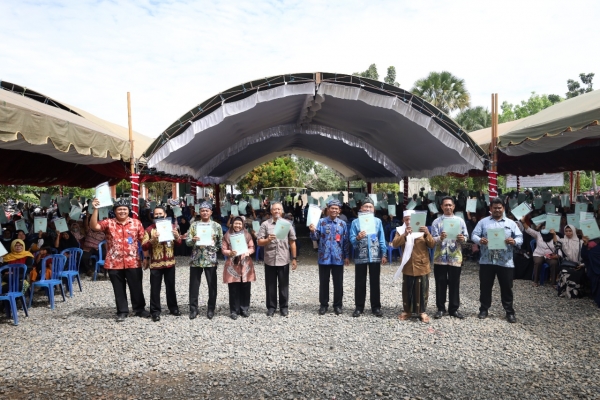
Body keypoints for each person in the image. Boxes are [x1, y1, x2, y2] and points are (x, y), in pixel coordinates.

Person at [90, 198, 149, 322]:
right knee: (118, 288)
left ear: (129, 211)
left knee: (136, 286)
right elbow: (94, 226)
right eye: (119, 209)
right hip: (114, 262)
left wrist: (146, 256)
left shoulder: (136, 223)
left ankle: (139, 309)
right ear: (115, 211)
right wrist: (95, 209)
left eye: (124, 209)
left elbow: (143, 240)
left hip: (133, 261)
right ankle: (122, 311)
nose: (122, 211)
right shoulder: (109, 223)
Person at [471, 197, 523, 323]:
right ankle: (484, 309)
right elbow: (474, 235)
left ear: (503, 208)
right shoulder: (483, 222)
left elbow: (520, 237)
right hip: (486, 260)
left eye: (500, 208)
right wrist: (480, 240)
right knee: (485, 286)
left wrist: (514, 241)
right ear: (491, 209)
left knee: (506, 287)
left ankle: (509, 312)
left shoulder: (511, 223)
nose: (497, 210)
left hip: (505, 261)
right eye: (495, 208)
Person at [392, 210, 435, 323]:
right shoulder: (400, 230)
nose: (409, 221)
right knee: (407, 289)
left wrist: (427, 233)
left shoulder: (422, 230)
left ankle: (422, 311)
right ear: (403, 220)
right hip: (408, 265)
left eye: (411, 218)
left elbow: (432, 244)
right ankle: (407, 311)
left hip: (422, 264)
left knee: (423, 289)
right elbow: (395, 244)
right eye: (406, 219)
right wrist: (405, 235)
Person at [309, 199, 350, 316]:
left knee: (338, 283)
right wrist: (312, 231)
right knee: (323, 282)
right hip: (324, 257)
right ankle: (323, 305)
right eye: (332, 208)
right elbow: (315, 237)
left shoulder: (342, 224)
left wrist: (346, 256)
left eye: (336, 208)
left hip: (338, 258)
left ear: (339, 210)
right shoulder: (321, 222)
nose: (334, 210)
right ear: (328, 209)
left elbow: (345, 241)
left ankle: (337, 305)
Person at [141, 206, 182, 322]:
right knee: (155, 288)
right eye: (156, 214)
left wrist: (176, 236)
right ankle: (155, 311)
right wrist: (152, 240)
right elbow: (143, 246)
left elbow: (179, 243)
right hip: (155, 264)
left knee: (171, 287)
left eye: (160, 214)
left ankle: (173, 308)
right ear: (153, 216)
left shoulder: (172, 227)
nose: (158, 216)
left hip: (170, 262)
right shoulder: (149, 229)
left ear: (165, 215)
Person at [257, 201, 297, 317]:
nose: (277, 211)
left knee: (284, 285)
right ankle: (271, 307)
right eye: (274, 209)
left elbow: (292, 242)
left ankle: (284, 307)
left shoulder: (287, 224)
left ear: (282, 211)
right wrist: (268, 239)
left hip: (283, 258)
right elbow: (259, 242)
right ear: (271, 211)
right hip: (269, 259)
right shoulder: (265, 224)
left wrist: (294, 258)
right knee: (270, 285)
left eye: (279, 209)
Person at [431, 196, 469, 319]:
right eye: (445, 205)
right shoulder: (436, 222)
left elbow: (466, 237)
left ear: (454, 206)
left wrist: (463, 239)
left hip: (455, 257)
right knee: (440, 282)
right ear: (441, 207)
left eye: (450, 205)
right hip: (440, 257)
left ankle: (454, 309)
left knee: (454, 283)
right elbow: (432, 239)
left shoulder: (460, 221)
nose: (448, 207)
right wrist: (439, 238)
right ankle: (441, 308)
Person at [349, 198, 387, 317]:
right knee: (360, 282)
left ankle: (376, 307)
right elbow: (351, 238)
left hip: (375, 256)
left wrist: (384, 253)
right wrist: (357, 238)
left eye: (370, 207)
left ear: (374, 209)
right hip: (361, 255)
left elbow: (381, 238)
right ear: (361, 208)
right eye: (366, 206)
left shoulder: (377, 222)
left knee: (375, 282)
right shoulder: (356, 222)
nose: (368, 209)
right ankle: (359, 307)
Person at [186, 201, 223, 320]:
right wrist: (193, 240)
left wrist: (213, 247)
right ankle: (193, 309)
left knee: (212, 285)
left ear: (211, 212)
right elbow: (187, 241)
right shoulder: (194, 225)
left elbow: (220, 243)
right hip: (196, 259)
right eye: (202, 210)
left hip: (210, 259)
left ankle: (211, 308)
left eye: (207, 210)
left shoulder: (216, 226)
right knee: (194, 286)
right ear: (199, 212)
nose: (205, 212)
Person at [221, 216, 256, 319]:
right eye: (235, 223)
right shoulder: (227, 235)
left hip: (245, 263)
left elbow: (252, 247)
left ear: (243, 224)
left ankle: (244, 309)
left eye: (239, 224)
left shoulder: (247, 234)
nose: (237, 225)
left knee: (245, 287)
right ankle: (234, 310)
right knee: (233, 288)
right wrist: (230, 252)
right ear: (232, 224)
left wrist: (248, 252)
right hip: (232, 264)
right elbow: (223, 249)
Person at [521, 218, 558, 286]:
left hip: (550, 255)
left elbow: (558, 245)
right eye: (543, 227)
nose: (544, 228)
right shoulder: (538, 234)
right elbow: (529, 230)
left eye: (546, 227)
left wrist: (554, 235)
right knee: (538, 262)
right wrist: (523, 222)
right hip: (539, 254)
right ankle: (535, 281)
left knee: (554, 263)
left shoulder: (555, 236)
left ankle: (553, 282)